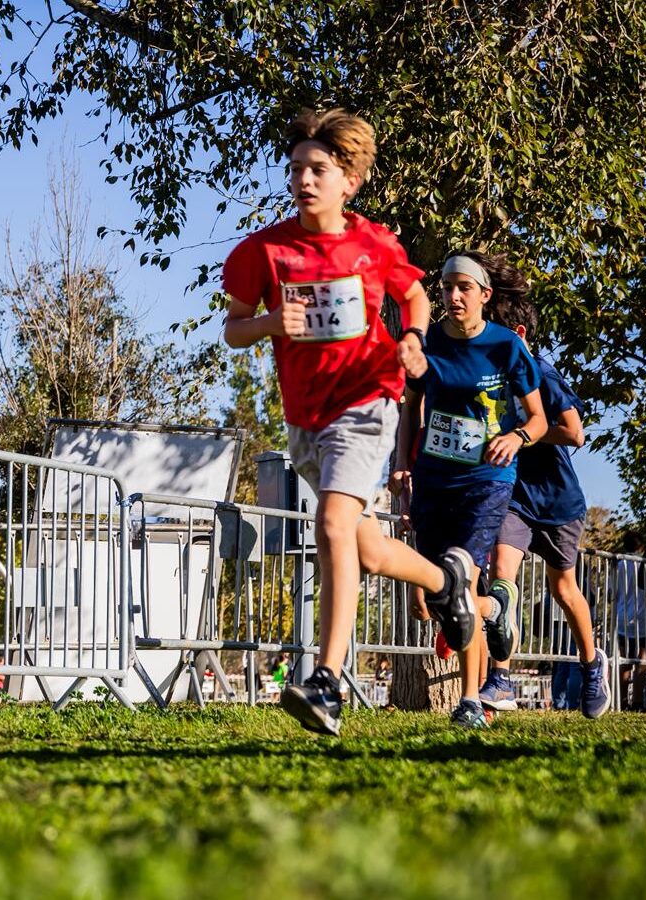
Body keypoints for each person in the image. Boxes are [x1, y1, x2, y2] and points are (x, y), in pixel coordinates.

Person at [222, 108, 474, 736]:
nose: (304, 180)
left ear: (348, 180)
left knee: (330, 521)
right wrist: (271, 324)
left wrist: (413, 338)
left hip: (368, 398)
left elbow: (413, 294)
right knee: (357, 543)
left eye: (319, 170)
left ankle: (328, 681)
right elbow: (233, 329)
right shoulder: (265, 250)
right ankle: (446, 580)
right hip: (306, 416)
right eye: (297, 169)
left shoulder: (373, 244)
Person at [394, 251, 546, 728]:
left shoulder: (507, 347)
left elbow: (539, 419)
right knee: (434, 603)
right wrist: (401, 466)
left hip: (487, 481)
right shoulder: (430, 341)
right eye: (445, 288)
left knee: (462, 575)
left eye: (463, 288)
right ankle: (497, 608)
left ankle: (470, 700)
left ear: (485, 295)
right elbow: (411, 409)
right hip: (435, 478)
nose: (453, 296)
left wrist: (516, 436)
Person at [472, 290, 610, 719]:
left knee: (564, 590)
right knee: (502, 580)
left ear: (518, 334)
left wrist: (523, 433)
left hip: (559, 503)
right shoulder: (489, 381)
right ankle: (500, 679)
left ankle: (592, 665)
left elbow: (575, 433)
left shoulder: (543, 375)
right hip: (514, 499)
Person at [612, 531, 646, 710]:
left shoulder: (619, 565)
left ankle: (621, 700)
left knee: (624, 662)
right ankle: (637, 700)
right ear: (641, 546)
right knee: (642, 659)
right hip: (643, 618)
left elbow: (610, 594)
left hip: (622, 618)